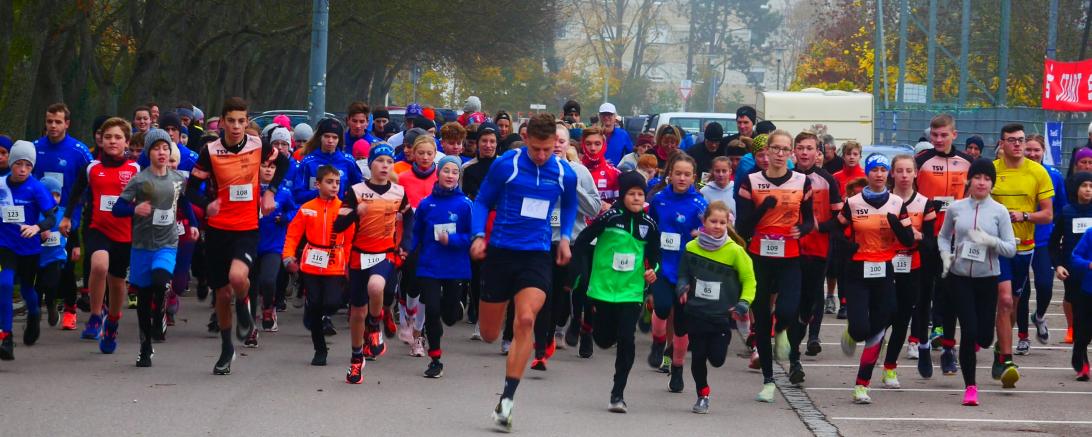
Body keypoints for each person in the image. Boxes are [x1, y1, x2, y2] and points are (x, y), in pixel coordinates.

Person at [469, 113, 577, 432]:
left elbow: (570, 205)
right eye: (536, 149)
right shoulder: (507, 165)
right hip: (501, 253)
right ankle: (500, 319)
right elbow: (482, 201)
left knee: (527, 318)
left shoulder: (564, 173)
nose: (542, 155)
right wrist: (478, 235)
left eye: (548, 149)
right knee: (490, 333)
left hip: (536, 254)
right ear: (526, 138)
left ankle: (507, 400)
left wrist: (565, 238)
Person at [185, 97, 289, 375]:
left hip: (246, 227)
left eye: (241, 121)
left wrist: (270, 192)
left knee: (237, 278)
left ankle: (244, 305)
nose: (236, 126)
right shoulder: (210, 151)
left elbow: (283, 164)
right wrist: (207, 204)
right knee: (221, 294)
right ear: (222, 122)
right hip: (218, 230)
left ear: (246, 122)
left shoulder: (258, 145)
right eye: (231, 121)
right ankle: (226, 348)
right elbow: (191, 189)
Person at [735, 129, 813, 403]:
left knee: (787, 310)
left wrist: (802, 229)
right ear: (766, 151)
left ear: (791, 153)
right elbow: (742, 227)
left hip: (790, 257)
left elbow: (809, 220)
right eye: (775, 148)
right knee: (761, 318)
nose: (780, 154)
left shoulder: (802, 181)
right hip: (759, 258)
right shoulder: (751, 181)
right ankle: (768, 380)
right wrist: (763, 208)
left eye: (785, 149)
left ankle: (782, 331)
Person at [111, 129, 198, 366]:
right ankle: (145, 347)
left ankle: (160, 312)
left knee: (160, 281)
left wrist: (193, 224)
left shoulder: (178, 179)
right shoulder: (139, 180)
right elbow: (117, 208)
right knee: (144, 296)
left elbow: (185, 202)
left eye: (165, 148)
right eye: (157, 148)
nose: (162, 152)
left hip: (167, 242)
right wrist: (134, 209)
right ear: (149, 152)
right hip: (142, 245)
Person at [574, 171, 659, 413]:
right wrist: (584, 272)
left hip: (631, 292)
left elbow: (655, 257)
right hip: (602, 290)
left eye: (640, 194)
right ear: (622, 196)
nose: (636, 198)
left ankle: (617, 393)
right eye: (631, 194)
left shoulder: (649, 224)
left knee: (626, 339)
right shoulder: (609, 218)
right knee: (604, 340)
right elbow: (582, 242)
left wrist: (652, 271)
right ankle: (588, 327)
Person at [835, 154, 914, 404]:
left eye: (883, 169)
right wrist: (846, 246)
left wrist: (896, 225)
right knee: (860, 329)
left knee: (878, 329)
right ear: (867, 174)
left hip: (884, 271)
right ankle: (851, 333)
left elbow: (909, 240)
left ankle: (862, 385)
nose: (879, 174)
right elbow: (836, 231)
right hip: (857, 271)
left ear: (888, 173)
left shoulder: (897, 203)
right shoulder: (853, 202)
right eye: (874, 170)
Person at [937, 158, 1017, 406]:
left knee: (983, 337)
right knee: (969, 332)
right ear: (969, 180)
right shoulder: (956, 208)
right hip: (960, 278)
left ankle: (988, 343)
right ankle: (970, 387)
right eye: (978, 177)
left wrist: (989, 241)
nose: (982, 183)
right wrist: (945, 255)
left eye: (987, 179)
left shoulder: (999, 211)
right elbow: (943, 236)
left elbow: (1011, 248)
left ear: (992, 183)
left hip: (987, 279)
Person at [335, 143, 413, 382]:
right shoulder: (356, 191)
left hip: (385, 252)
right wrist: (355, 212)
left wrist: (405, 243)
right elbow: (338, 225)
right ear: (370, 165)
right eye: (380, 161)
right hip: (359, 254)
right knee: (357, 312)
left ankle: (375, 324)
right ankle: (356, 359)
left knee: (376, 287)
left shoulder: (398, 192)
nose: (385, 166)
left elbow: (409, 218)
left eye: (389, 162)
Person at [62, 118, 140, 354]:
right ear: (101, 141)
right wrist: (67, 217)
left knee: (117, 281)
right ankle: (96, 315)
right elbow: (76, 192)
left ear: (126, 142)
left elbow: (145, 198)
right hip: (97, 227)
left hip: (124, 232)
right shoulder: (92, 168)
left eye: (117, 137)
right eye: (108, 137)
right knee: (99, 265)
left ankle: (113, 322)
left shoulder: (135, 169)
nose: (112, 141)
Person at [989, 123, 1054, 387]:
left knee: (1013, 305)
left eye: (1021, 139)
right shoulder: (991, 170)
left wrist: (1024, 215)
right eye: (1012, 140)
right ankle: (1006, 361)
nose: (1017, 144)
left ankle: (999, 347)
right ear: (1002, 144)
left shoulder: (1038, 172)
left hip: (1024, 246)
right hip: (997, 247)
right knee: (1004, 300)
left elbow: (1047, 214)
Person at [675, 200, 755, 414]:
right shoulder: (692, 247)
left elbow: (749, 280)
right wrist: (682, 288)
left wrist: (744, 302)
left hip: (721, 315)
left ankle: (723, 341)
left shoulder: (735, 251)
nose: (717, 226)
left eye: (722, 222)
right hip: (696, 312)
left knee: (717, 360)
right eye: (713, 221)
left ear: (727, 223)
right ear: (704, 221)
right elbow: (683, 274)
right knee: (698, 357)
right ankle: (702, 395)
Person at [912, 114, 974, 378]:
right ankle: (923, 347)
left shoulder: (968, 162)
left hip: (955, 240)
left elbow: (975, 198)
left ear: (954, 135)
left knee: (950, 296)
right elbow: (907, 195)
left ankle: (948, 349)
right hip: (926, 238)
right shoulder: (920, 161)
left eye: (943, 135)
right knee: (923, 295)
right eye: (934, 135)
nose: (938, 140)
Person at [646, 153, 708, 387]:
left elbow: (712, 231)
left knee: (682, 325)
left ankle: (678, 368)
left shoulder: (700, 203)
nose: (682, 178)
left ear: (694, 177)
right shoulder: (658, 199)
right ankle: (657, 342)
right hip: (663, 265)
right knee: (662, 307)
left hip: (687, 270)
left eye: (687, 174)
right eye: (678, 173)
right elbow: (650, 228)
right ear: (669, 175)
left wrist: (701, 233)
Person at [283, 165, 353, 366]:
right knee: (315, 305)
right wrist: (288, 256)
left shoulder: (344, 209)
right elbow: (293, 234)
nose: (334, 186)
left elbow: (350, 239)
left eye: (337, 182)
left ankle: (316, 311)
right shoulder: (307, 208)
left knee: (332, 303)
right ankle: (320, 349)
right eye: (329, 182)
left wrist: (348, 263)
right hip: (311, 263)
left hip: (335, 262)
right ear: (318, 184)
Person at [411, 155, 473, 378]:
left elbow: (472, 236)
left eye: (455, 172)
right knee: (432, 311)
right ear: (438, 174)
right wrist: (406, 251)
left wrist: (452, 240)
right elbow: (416, 233)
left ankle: (455, 305)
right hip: (429, 265)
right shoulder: (426, 204)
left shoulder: (465, 204)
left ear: (459, 177)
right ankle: (435, 359)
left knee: (449, 317)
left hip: (455, 266)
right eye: (446, 171)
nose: (450, 175)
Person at [790, 131, 843, 377]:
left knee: (810, 299)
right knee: (790, 299)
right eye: (800, 148)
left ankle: (810, 335)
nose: (804, 152)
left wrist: (819, 227)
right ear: (794, 151)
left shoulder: (827, 180)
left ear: (817, 152)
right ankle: (793, 354)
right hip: (790, 249)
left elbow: (840, 218)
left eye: (809, 148)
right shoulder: (785, 177)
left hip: (818, 249)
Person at [881, 155, 936, 388]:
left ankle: (890, 367)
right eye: (899, 171)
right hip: (883, 265)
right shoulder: (882, 200)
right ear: (892, 173)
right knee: (883, 315)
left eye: (908, 171)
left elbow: (932, 242)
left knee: (903, 318)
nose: (904, 175)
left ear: (915, 174)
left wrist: (918, 236)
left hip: (912, 267)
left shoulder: (924, 203)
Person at [0, 141, 57, 360]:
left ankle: (34, 313)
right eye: (18, 164)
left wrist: (37, 227)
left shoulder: (36, 187)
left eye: (28, 165)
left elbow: (51, 217)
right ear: (11, 163)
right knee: (5, 284)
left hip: (29, 248)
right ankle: (6, 336)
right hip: (5, 245)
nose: (23, 169)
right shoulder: (1, 185)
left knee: (26, 290)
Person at [1020, 134, 1066, 353]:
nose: (1032, 154)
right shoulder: (1017, 173)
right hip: (1018, 239)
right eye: (1028, 149)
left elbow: (1062, 208)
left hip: (1044, 241)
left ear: (1043, 151)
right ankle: (1023, 336)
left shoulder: (1054, 175)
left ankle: (1038, 316)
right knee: (1021, 291)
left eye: (1036, 150)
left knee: (1045, 285)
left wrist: (1058, 233)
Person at [1049, 171, 1092, 380]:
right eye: (1084, 185)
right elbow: (1053, 244)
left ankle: (1080, 347)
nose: (1088, 190)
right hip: (1074, 273)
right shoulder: (1066, 212)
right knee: (1081, 319)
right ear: (1076, 188)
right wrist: (1058, 266)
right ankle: (1081, 358)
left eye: (1091, 186)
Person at [256, 158, 296, 333]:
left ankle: (268, 308)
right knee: (251, 284)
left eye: (272, 167)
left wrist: (286, 218)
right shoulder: (249, 190)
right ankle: (249, 321)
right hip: (250, 244)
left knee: (268, 280)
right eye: (264, 166)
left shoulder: (284, 192)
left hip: (273, 245)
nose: (268, 170)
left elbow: (295, 209)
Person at [293, 118, 364, 204]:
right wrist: (321, 193)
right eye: (326, 136)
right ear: (320, 137)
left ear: (339, 139)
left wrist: (346, 201)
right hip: (315, 209)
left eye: (334, 137)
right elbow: (298, 195)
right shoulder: (308, 162)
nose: (330, 141)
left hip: (339, 210)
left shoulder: (348, 161)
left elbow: (360, 189)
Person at [580, 127, 621, 203]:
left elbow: (622, 205)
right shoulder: (574, 171)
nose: (593, 148)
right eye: (588, 144)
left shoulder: (615, 174)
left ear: (604, 145)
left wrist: (611, 206)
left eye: (597, 144)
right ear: (583, 145)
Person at [699, 157, 735, 222]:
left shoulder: (736, 189)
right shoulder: (704, 191)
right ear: (713, 172)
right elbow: (702, 214)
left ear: (730, 172)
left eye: (724, 171)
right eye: (717, 171)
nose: (721, 174)